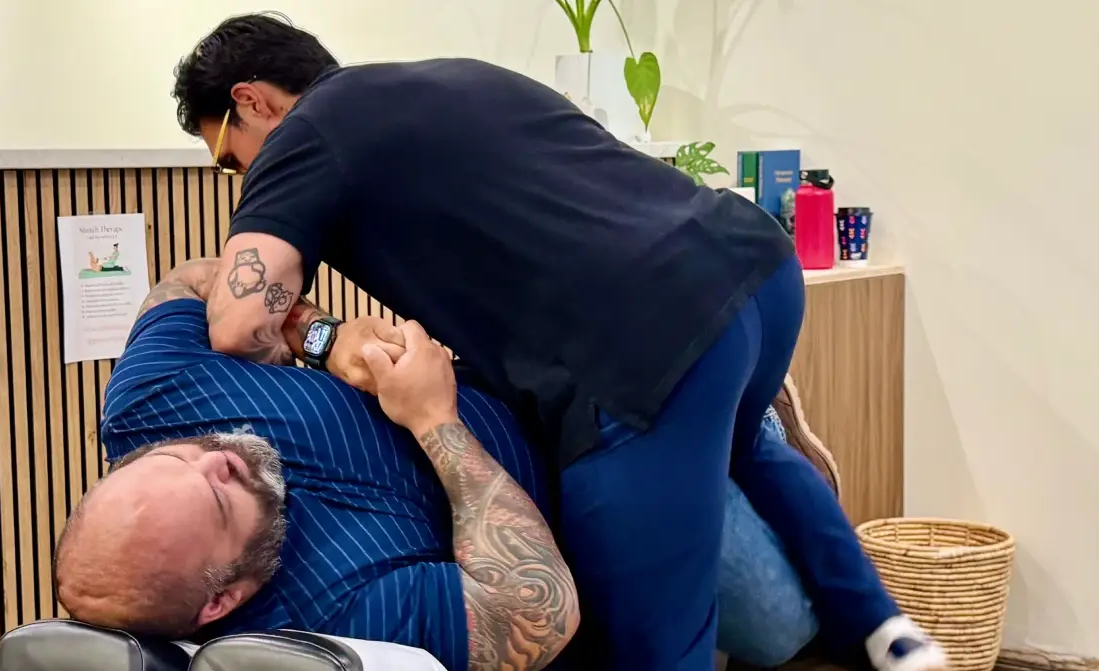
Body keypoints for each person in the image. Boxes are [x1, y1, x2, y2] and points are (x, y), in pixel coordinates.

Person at [169, 13, 948, 671]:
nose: (241, 176)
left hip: (641, 346)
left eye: (229, 156)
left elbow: (236, 322)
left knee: (652, 641)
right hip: (754, 269)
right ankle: (885, 628)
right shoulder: (452, 77)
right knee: (748, 445)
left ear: (252, 101)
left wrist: (324, 334)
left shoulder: (307, 133)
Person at [53, 259, 819, 671]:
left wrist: (322, 336)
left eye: (180, 457)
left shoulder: (152, 401)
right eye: (221, 497)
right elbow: (537, 614)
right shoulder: (321, 617)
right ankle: (748, 432)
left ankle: (741, 413)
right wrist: (433, 421)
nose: (219, 455)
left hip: (531, 374)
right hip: (600, 497)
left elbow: (197, 279)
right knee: (787, 628)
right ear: (223, 599)